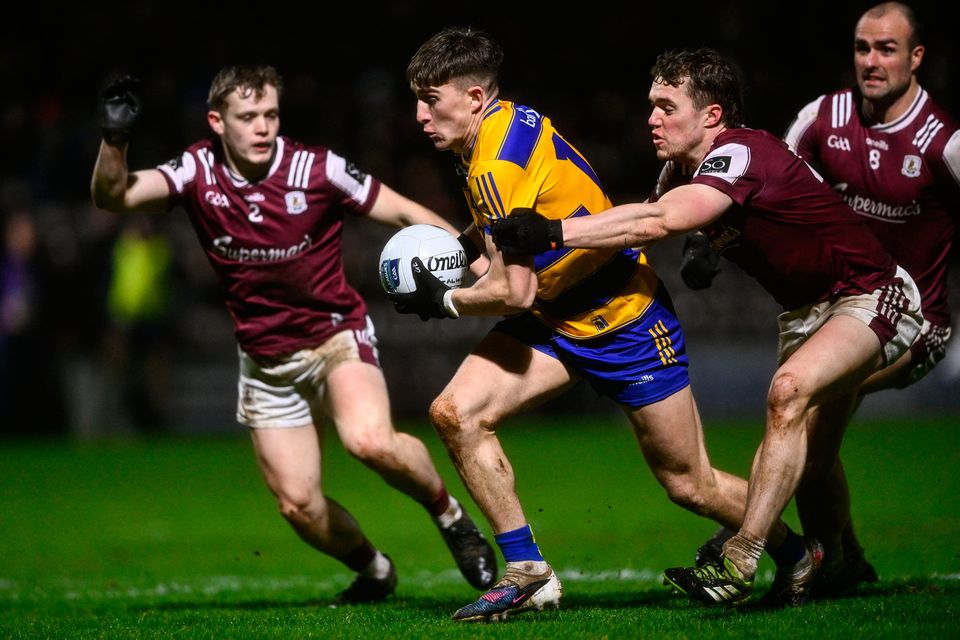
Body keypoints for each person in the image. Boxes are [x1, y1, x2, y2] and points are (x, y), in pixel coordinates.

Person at [395, 28, 812, 621]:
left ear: (475, 96)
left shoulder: (491, 161)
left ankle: (797, 552)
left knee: (689, 484)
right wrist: (456, 253)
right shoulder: (501, 125)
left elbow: (515, 292)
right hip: (555, 316)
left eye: (431, 100)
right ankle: (527, 571)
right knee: (455, 413)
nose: (419, 115)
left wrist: (448, 301)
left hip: (626, 320)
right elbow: (510, 235)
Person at [490, 47, 923, 607]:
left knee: (787, 394)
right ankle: (838, 562)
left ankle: (742, 556)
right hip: (805, 312)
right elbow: (642, 224)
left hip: (870, 292)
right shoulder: (680, 169)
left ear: (712, 115)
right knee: (812, 461)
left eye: (667, 106)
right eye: (651, 106)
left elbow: (656, 220)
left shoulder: (739, 151)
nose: (652, 118)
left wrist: (552, 231)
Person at [89, 65, 497, 604]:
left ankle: (450, 517)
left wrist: (473, 260)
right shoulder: (195, 172)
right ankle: (375, 569)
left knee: (368, 441)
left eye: (271, 115)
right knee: (298, 505)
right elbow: (113, 196)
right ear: (217, 121)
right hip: (265, 361)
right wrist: (115, 138)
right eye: (248, 116)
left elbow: (401, 210)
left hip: (336, 338)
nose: (262, 127)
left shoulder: (315, 167)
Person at [689, 2, 960, 598]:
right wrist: (708, 243)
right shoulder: (821, 118)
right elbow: (767, 180)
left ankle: (773, 548)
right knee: (806, 425)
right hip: (840, 299)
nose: (871, 60)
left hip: (912, 317)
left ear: (916, 58)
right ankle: (840, 557)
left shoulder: (943, 142)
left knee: (803, 406)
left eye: (887, 49)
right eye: (863, 47)